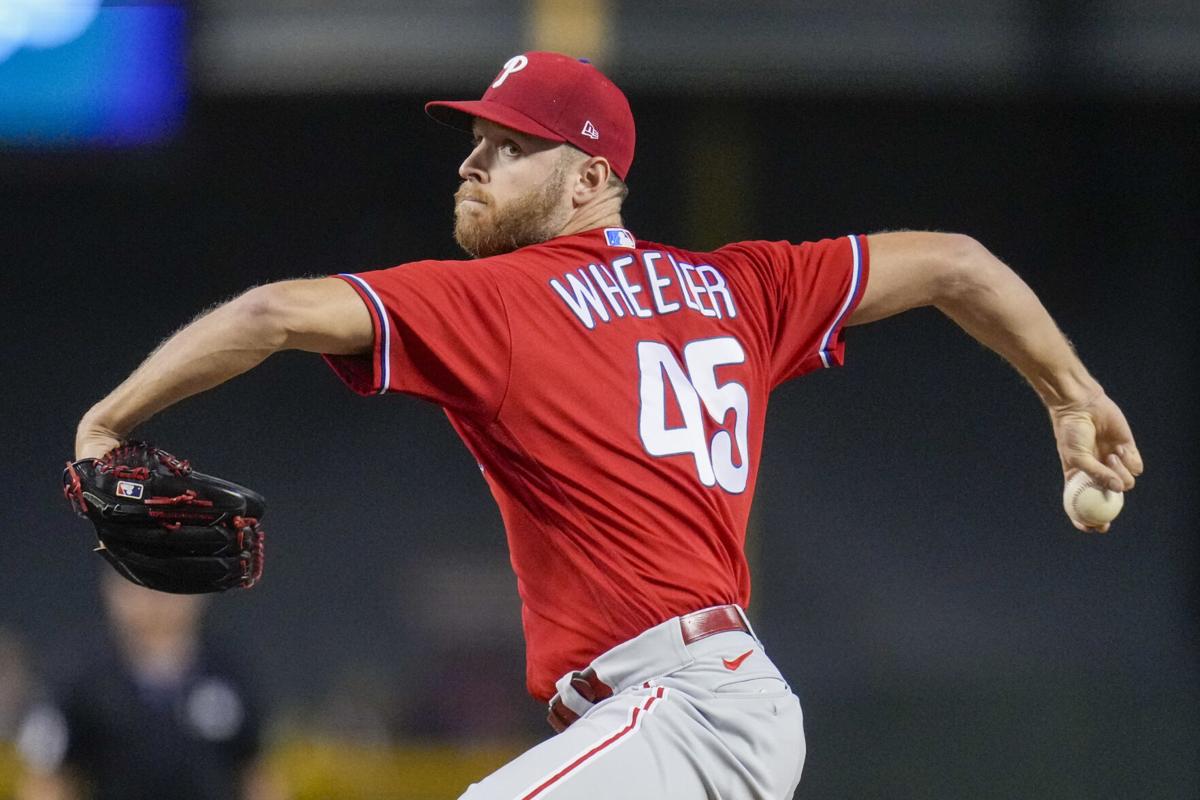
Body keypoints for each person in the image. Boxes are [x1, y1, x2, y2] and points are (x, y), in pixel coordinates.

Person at [71, 51, 1143, 799]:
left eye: (506, 147)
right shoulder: (744, 285)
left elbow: (269, 313)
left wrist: (108, 419)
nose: (470, 164)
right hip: (680, 716)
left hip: (686, 709)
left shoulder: (503, 300)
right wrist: (1067, 393)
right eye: (474, 144)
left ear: (590, 177)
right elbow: (957, 261)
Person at [15, 570, 283, 800]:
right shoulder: (80, 675)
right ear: (113, 590)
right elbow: (49, 777)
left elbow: (255, 771)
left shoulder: (228, 669)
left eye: (171, 582)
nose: (158, 598)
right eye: (142, 583)